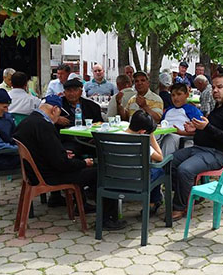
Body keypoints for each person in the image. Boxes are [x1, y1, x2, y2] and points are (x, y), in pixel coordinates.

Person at [14, 96, 126, 230]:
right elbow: (62, 164)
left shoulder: (28, 122)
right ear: (54, 110)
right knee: (101, 172)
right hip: (50, 175)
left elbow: (43, 151)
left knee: (88, 167)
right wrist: (83, 163)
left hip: (34, 172)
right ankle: (107, 220)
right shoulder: (44, 126)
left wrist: (61, 153)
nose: (57, 119)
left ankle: (90, 208)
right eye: (59, 114)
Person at [170, 74, 223, 221]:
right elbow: (209, 129)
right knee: (169, 162)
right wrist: (196, 129)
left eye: (220, 87)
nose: (215, 90)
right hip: (199, 149)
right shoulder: (219, 106)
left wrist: (207, 127)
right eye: (214, 87)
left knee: (184, 170)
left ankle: (180, 207)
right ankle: (189, 195)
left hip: (217, 154)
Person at [122, 110, 165, 215]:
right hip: (137, 184)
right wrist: (152, 137)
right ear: (142, 131)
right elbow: (160, 157)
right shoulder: (142, 144)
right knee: (158, 169)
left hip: (112, 182)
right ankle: (153, 202)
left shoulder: (111, 138)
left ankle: (154, 201)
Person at [55, 79, 104, 157]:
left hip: (89, 140)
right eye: (68, 90)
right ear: (64, 93)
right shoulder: (57, 105)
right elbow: (44, 115)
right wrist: (56, 118)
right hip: (68, 140)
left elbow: (101, 124)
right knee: (67, 153)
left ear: (81, 92)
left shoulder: (92, 106)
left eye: (75, 90)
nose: (72, 93)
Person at [157, 83, 203, 156]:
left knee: (169, 138)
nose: (175, 98)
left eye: (179, 94)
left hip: (182, 137)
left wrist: (181, 132)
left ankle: (165, 165)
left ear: (187, 95)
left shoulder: (192, 110)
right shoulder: (168, 110)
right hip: (163, 135)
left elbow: (201, 129)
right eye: (173, 95)